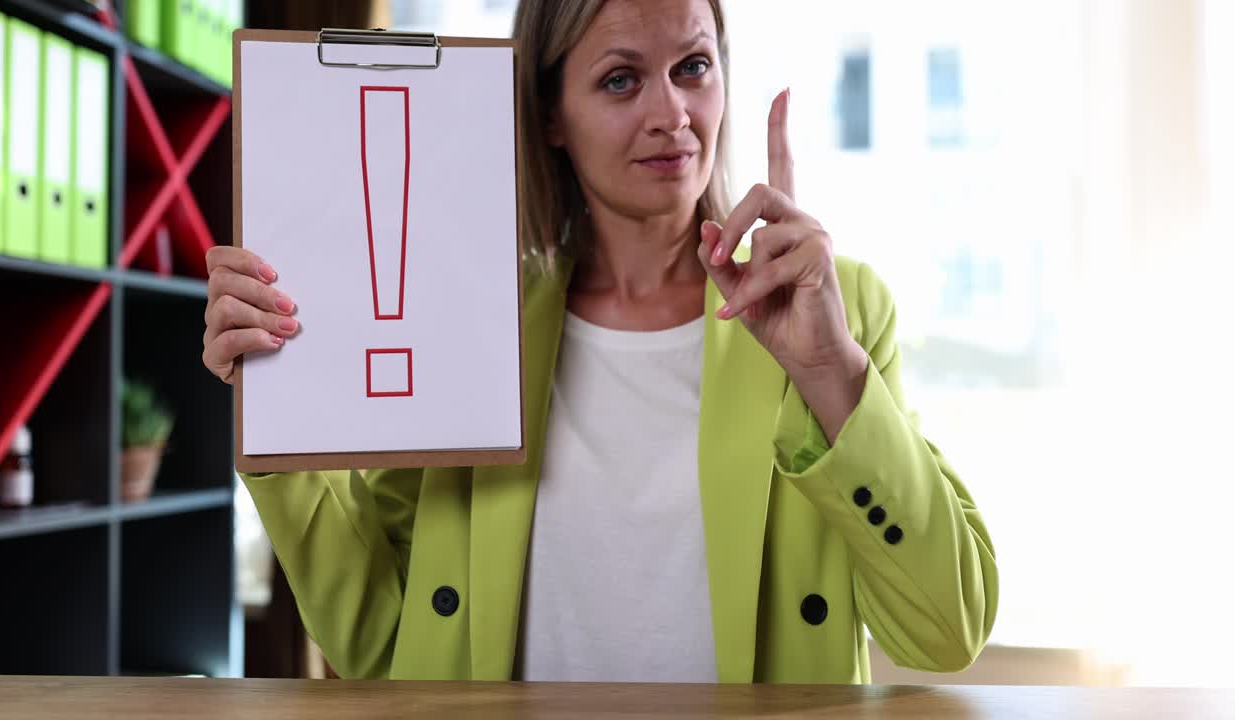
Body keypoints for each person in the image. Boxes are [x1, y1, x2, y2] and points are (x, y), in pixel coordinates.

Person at [203, 0, 997, 683]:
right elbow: (377, 644)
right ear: (549, 113)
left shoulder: (837, 308)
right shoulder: (470, 319)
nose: (672, 115)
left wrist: (830, 372)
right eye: (621, 79)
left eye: (693, 66)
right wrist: (276, 399)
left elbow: (945, 631)